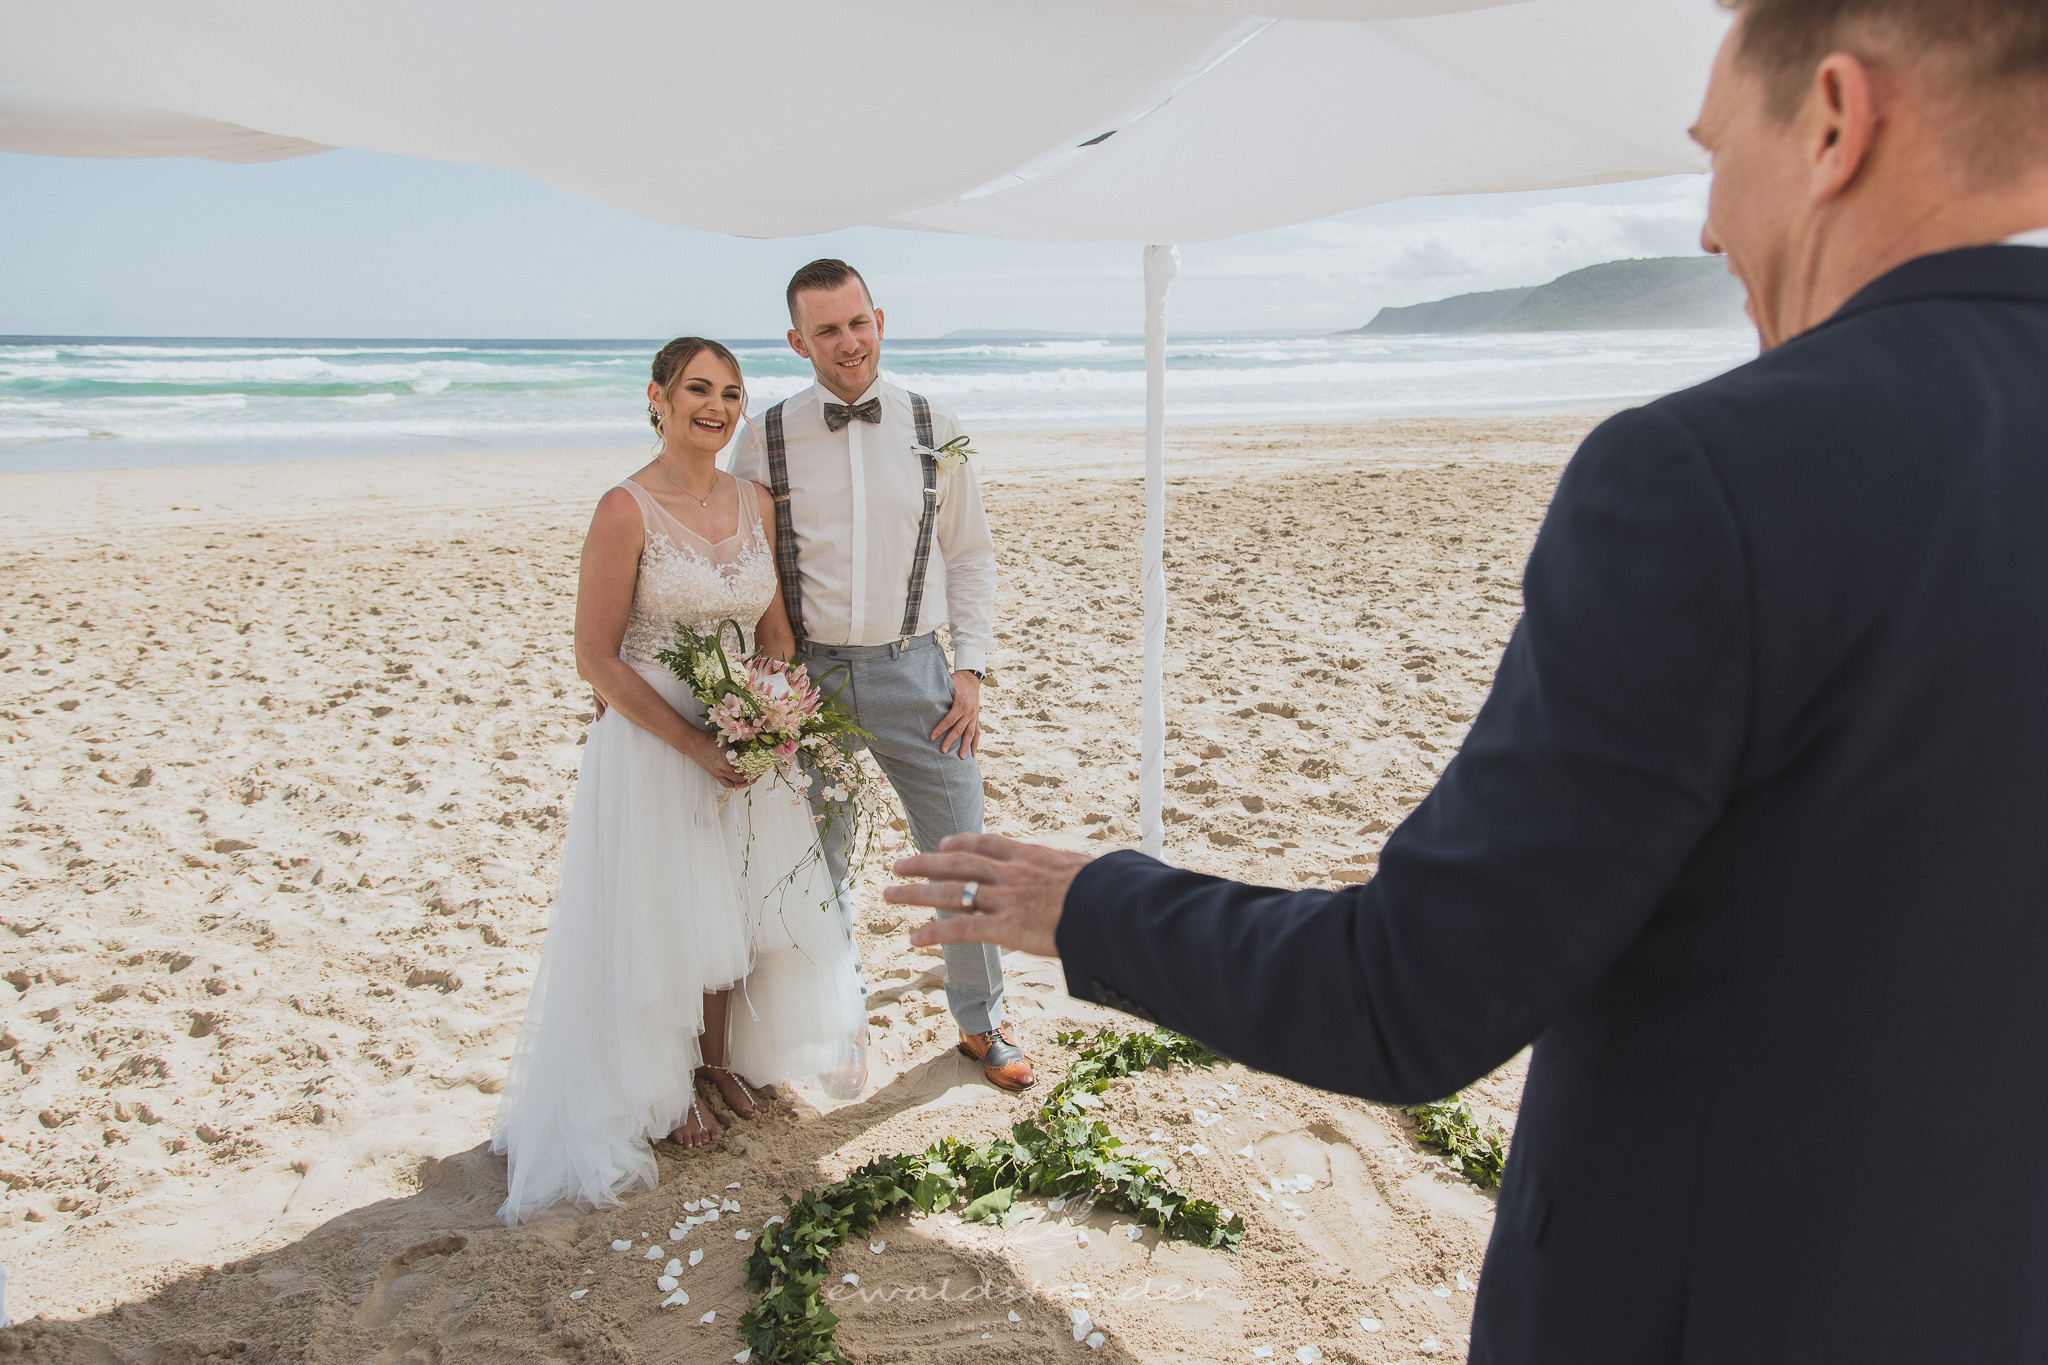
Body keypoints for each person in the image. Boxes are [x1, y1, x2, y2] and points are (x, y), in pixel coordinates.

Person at [884, 2, 2048, 1359]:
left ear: (1836, 122)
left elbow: (1410, 997)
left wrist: (1087, 902)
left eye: (1716, 151)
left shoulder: (1703, 479)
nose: (1707, 229)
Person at [491, 337, 866, 1225]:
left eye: (731, 393)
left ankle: (717, 1059)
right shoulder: (624, 509)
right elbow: (596, 656)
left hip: (745, 735)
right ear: (657, 397)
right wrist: (695, 743)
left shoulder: (753, 501)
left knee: (733, 903)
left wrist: (773, 713)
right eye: (698, 389)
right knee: (662, 910)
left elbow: (775, 630)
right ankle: (659, 1085)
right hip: (655, 741)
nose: (717, 407)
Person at [730, 260, 1035, 1092]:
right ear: (798, 342)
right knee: (816, 861)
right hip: (810, 681)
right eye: (826, 330)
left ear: (881, 321)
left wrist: (969, 670)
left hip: (919, 673)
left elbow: (970, 554)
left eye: (858, 322)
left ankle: (980, 1020)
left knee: (960, 854)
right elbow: (745, 555)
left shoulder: (936, 423)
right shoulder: (766, 436)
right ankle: (838, 1023)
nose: (848, 342)